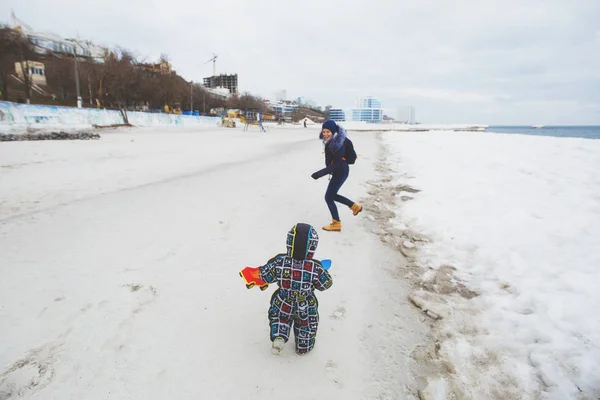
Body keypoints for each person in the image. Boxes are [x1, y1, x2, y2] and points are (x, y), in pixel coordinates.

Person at [258, 223, 333, 355]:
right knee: (307, 326)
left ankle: (279, 337)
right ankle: (304, 347)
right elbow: (326, 284)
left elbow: (265, 276)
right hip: (305, 305)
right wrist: (317, 276)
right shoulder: (315, 269)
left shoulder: (279, 262)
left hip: (283, 301)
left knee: (280, 319)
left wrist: (260, 273)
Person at [311, 120, 362, 231]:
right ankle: (354, 207)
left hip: (340, 172)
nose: (325, 134)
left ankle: (336, 223)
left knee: (328, 197)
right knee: (331, 196)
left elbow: (337, 164)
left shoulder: (338, 144)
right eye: (323, 132)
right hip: (339, 171)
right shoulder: (331, 141)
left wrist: (319, 174)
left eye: (328, 132)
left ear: (333, 131)